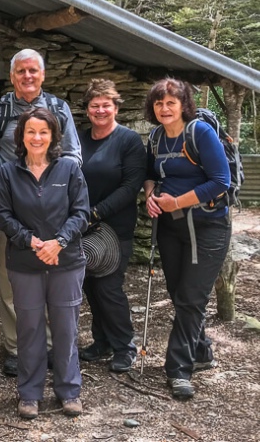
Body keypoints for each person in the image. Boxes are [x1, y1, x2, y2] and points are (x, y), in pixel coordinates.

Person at [0, 48, 82, 376]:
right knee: (12, 283)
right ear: (12, 77)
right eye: (21, 71)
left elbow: (73, 156)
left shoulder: (58, 108)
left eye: (33, 71)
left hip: (54, 210)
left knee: (55, 280)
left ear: (43, 75)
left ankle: (52, 347)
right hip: (12, 210)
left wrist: (57, 188)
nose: (27, 76)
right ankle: (17, 347)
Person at [0, 107, 90, 419]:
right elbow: (2, 215)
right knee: (30, 328)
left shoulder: (70, 169)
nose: (37, 137)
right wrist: (31, 240)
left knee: (65, 328)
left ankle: (69, 391)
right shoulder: (9, 172)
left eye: (43, 132)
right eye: (30, 131)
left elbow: (81, 212)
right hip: (25, 261)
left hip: (66, 261)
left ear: (54, 136)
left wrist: (58, 242)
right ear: (21, 136)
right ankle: (30, 394)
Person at [144, 78, 231, 400]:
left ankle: (178, 369)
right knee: (180, 292)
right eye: (158, 103)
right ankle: (203, 352)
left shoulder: (199, 133)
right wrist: (151, 195)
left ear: (183, 104)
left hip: (207, 226)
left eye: (170, 102)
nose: (164, 109)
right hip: (171, 227)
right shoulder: (155, 137)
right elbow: (151, 173)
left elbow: (221, 180)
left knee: (191, 298)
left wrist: (176, 203)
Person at [78, 79, 146, 372]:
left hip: (113, 227)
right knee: (90, 286)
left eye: (106, 104)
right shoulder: (79, 139)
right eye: (95, 105)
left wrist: (96, 212)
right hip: (81, 227)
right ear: (87, 110)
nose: (101, 110)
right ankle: (101, 341)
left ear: (116, 107)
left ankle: (124, 346)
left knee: (108, 288)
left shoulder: (128, 141)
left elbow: (131, 186)